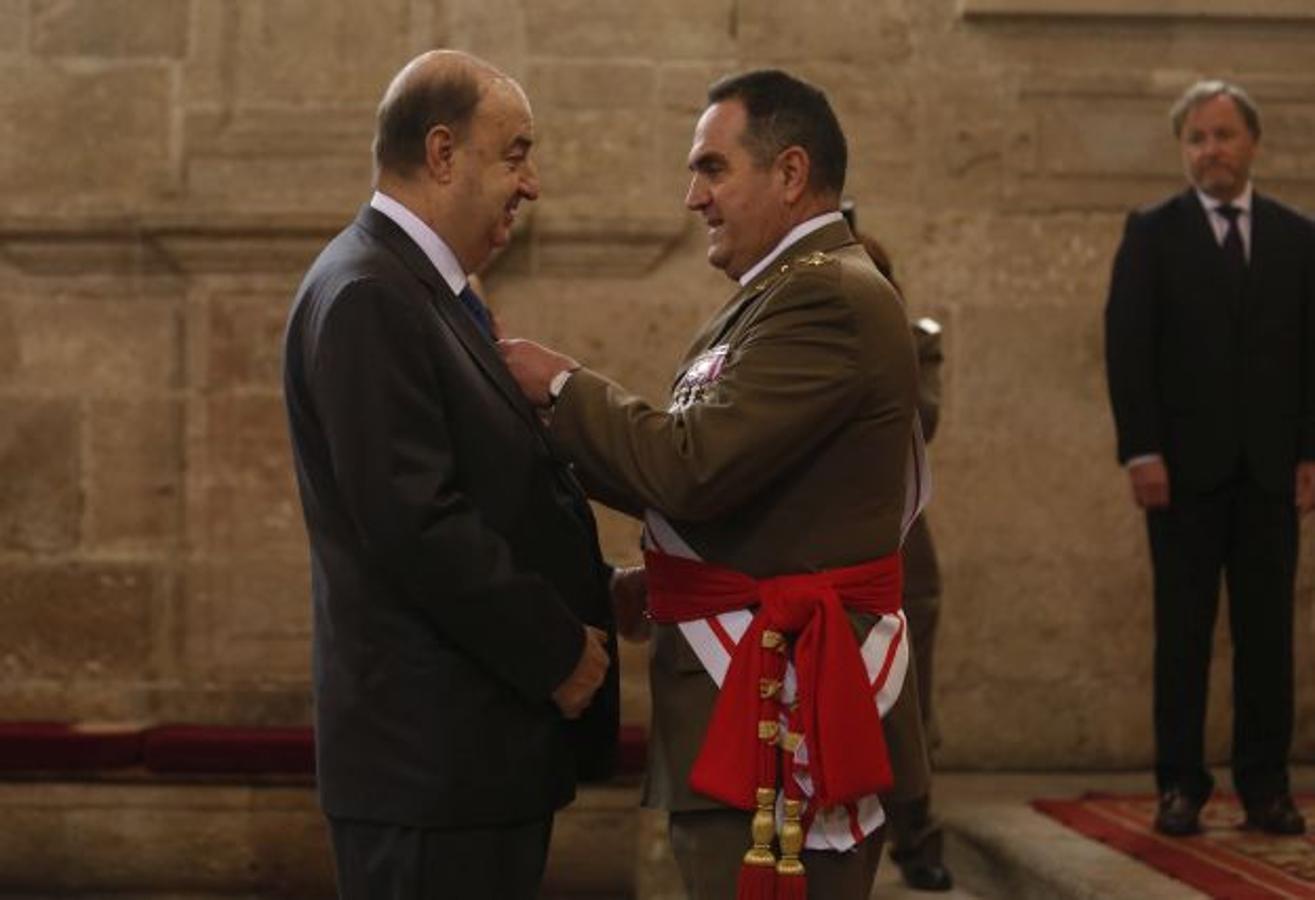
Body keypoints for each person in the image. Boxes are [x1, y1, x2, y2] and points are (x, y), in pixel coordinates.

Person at [501, 69, 930, 900]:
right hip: (741, 685)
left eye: (711, 168)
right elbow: (707, 481)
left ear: (790, 172)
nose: (692, 196)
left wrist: (561, 388)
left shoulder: (825, 297)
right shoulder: (768, 297)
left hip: (785, 695)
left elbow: (689, 468)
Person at [281, 50, 620, 898]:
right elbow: (415, 521)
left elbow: (491, 499)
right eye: (514, 153)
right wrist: (554, 652)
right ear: (440, 153)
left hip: (468, 762)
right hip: (430, 768)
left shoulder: (422, 292)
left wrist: (601, 592)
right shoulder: (370, 293)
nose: (531, 183)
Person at [1104, 78, 1315, 837]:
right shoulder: (1152, 233)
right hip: (1180, 474)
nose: (1210, 150)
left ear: (1251, 143)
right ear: (1183, 151)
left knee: (1267, 638)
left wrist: (1309, 453)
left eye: (1223, 135)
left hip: (1268, 473)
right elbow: (1127, 350)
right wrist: (1140, 452)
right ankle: (1180, 786)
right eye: (1196, 138)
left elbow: (1308, 356)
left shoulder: (1296, 237)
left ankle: (1264, 787)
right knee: (1182, 634)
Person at [855, 229, 954, 892]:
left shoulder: (911, 340)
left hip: (900, 556)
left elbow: (920, 419)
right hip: (823, 554)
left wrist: (883, 337)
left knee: (908, 711)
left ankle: (917, 839)